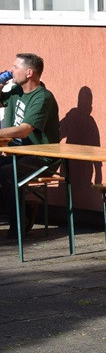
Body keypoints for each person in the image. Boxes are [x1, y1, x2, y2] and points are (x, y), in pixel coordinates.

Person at [0, 53, 60, 238]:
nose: (11, 70)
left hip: (42, 158)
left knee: (7, 174)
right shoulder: (16, 91)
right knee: (7, 171)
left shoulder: (42, 97)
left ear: (29, 73)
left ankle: (18, 227)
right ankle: (26, 209)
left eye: (15, 67)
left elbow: (25, 130)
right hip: (19, 155)